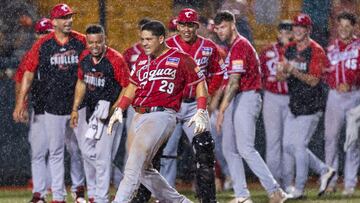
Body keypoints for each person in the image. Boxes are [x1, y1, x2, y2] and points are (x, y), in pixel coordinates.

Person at [107, 20, 208, 203]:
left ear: (161, 38)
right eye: (142, 39)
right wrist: (119, 109)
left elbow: (200, 82)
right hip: (138, 115)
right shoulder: (142, 60)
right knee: (144, 170)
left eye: (149, 39)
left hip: (161, 115)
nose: (144, 43)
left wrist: (200, 110)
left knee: (132, 168)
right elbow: (132, 86)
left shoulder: (180, 58)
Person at [13, 4, 87, 203]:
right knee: (53, 152)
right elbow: (25, 75)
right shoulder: (43, 45)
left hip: (77, 106)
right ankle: (54, 196)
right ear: (54, 22)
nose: (69, 20)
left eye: (70, 16)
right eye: (64, 17)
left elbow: (96, 64)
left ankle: (84, 192)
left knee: (81, 150)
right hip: (49, 108)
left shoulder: (81, 40)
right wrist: (21, 103)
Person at [214, 11, 288, 203]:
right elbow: (226, 83)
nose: (220, 31)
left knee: (245, 148)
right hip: (238, 98)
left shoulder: (240, 45)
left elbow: (234, 82)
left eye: (223, 26)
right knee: (229, 148)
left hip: (248, 96)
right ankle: (242, 195)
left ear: (232, 25)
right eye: (217, 27)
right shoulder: (231, 48)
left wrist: (221, 111)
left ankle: (275, 190)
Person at [162, 8, 224, 203]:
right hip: (172, 105)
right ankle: (166, 196)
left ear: (196, 26)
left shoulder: (209, 47)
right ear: (177, 25)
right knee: (165, 152)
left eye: (190, 25)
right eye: (183, 25)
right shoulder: (167, 45)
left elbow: (219, 73)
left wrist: (206, 94)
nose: (186, 29)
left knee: (204, 153)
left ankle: (206, 197)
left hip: (194, 107)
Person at [277, 13, 335, 198]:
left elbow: (313, 81)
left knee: (299, 146)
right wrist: (283, 72)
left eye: (302, 27)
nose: (298, 30)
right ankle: (323, 169)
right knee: (288, 146)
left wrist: (292, 70)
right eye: (296, 27)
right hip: (295, 103)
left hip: (312, 103)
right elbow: (280, 76)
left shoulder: (316, 50)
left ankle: (300, 190)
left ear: (308, 30)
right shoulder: (289, 48)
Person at [70, 24, 130, 203]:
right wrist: (75, 108)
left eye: (98, 42)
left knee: (103, 158)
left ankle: (100, 198)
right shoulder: (85, 56)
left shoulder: (115, 59)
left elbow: (128, 86)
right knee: (87, 151)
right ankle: (120, 182)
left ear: (105, 41)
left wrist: (115, 109)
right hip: (92, 110)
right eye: (91, 42)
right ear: (87, 42)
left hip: (111, 112)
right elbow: (81, 81)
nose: (94, 46)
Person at [323, 12, 360, 195]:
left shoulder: (359, 47)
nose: (344, 29)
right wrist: (334, 83)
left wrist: (353, 81)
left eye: (348, 26)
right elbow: (325, 73)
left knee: (351, 141)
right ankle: (330, 182)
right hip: (335, 96)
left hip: (354, 95)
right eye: (341, 26)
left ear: (354, 27)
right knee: (331, 139)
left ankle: (350, 184)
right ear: (337, 27)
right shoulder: (330, 48)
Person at [259, 20, 293, 186]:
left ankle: (287, 182)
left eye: (288, 32)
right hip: (272, 96)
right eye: (283, 31)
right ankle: (273, 184)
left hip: (291, 97)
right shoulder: (267, 51)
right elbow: (259, 76)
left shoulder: (297, 51)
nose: (285, 35)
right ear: (278, 33)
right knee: (273, 141)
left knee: (288, 142)